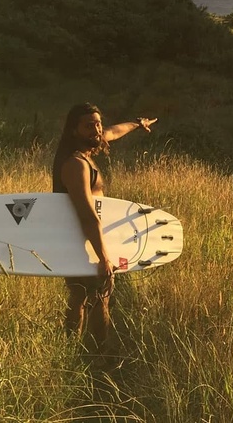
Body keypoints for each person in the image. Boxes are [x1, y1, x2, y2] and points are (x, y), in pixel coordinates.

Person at [51, 102, 157, 352]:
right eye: (89, 126)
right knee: (100, 299)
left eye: (97, 123)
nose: (97, 130)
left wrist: (137, 123)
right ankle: (100, 358)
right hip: (81, 241)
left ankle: (70, 352)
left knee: (79, 297)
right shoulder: (76, 165)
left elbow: (112, 132)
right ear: (74, 131)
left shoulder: (85, 153)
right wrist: (104, 259)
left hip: (77, 241)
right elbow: (88, 216)